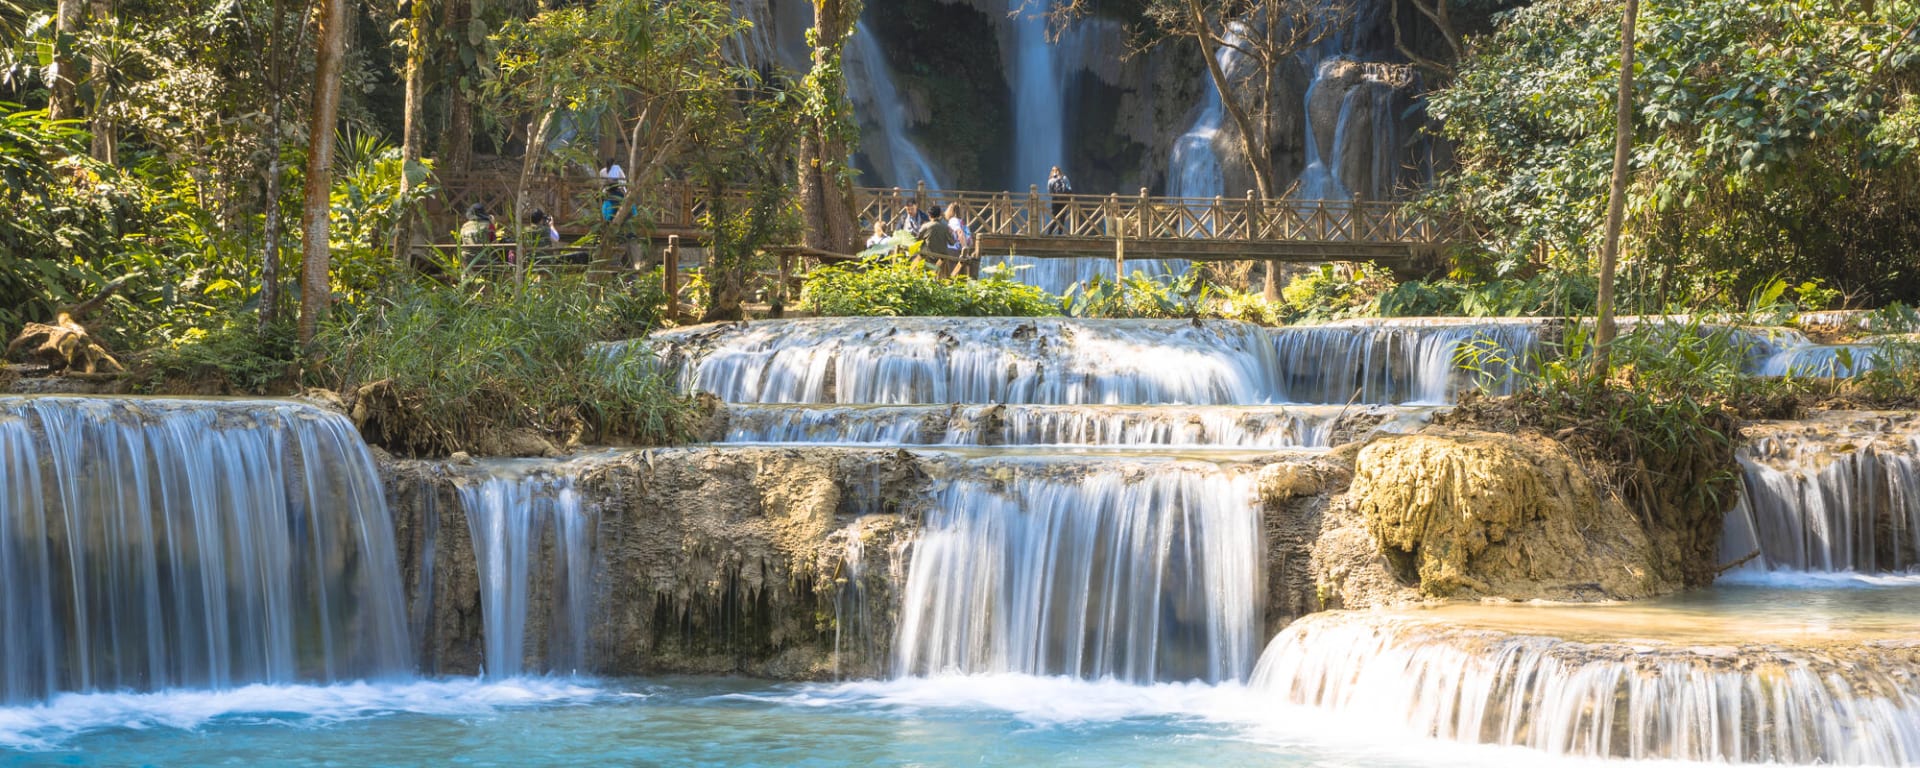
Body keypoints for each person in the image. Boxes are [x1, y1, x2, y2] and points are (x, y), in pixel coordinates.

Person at [1046, 166, 1073, 235]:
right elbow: (1069, 189)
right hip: (1064, 199)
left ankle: (1049, 233)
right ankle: (1059, 234)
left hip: (1055, 200)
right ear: (1060, 171)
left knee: (1054, 217)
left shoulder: (1051, 180)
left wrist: (1054, 195)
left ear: (1052, 172)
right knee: (1062, 218)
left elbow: (1049, 191)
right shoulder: (1064, 178)